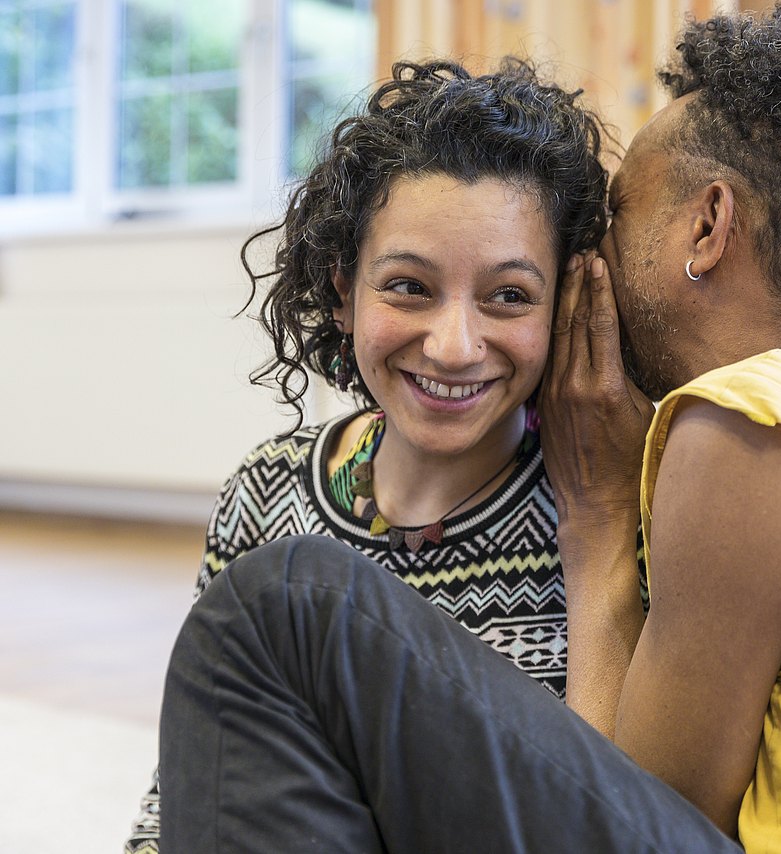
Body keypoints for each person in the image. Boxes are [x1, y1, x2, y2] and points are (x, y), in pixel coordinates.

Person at [157, 7, 781, 852]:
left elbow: (639, 814)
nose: (600, 260)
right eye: (408, 285)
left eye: (618, 216)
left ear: (706, 227)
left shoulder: (740, 434)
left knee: (278, 603)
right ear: (343, 288)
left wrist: (605, 513)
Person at [124, 59, 610, 853]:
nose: (454, 347)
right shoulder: (266, 488)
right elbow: (196, 776)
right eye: (409, 288)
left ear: (567, 304)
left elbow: (601, 808)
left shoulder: (604, 513)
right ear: (345, 290)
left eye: (510, 296)